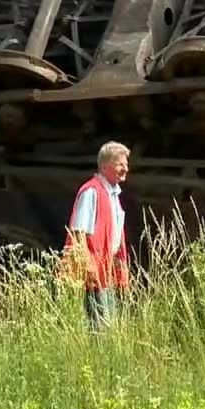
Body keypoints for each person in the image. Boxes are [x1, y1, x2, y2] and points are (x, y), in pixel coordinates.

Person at [62, 141, 130, 331]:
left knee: (109, 322)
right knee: (99, 324)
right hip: (95, 267)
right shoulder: (92, 191)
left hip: (107, 267)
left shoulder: (113, 194)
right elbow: (78, 231)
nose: (125, 169)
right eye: (120, 164)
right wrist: (88, 265)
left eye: (126, 164)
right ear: (105, 166)